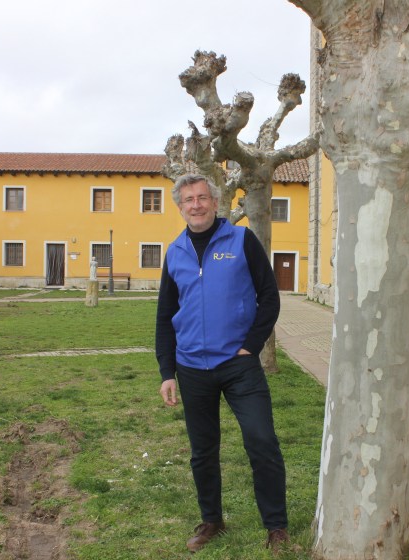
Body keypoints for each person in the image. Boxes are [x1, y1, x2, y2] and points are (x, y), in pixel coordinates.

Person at [155, 173, 289, 553]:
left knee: (262, 441)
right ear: (180, 207)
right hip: (192, 368)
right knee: (203, 450)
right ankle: (212, 520)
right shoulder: (175, 251)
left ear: (215, 202)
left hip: (238, 365)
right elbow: (165, 314)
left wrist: (251, 345)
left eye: (201, 198)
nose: (195, 205)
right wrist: (168, 371)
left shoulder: (241, 240)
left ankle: (276, 526)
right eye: (188, 200)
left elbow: (269, 297)